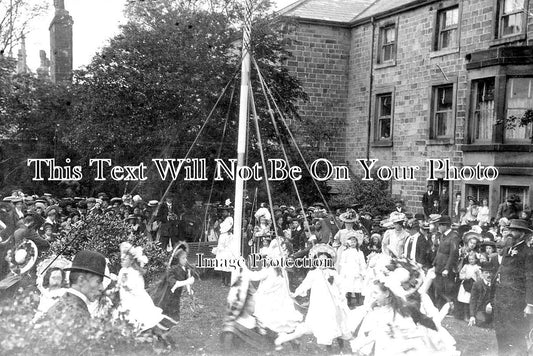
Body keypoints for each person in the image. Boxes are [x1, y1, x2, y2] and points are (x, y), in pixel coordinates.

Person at [348, 256, 459, 356]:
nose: (373, 296)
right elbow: (377, 332)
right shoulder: (383, 311)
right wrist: (359, 344)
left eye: (376, 293)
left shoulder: (400, 313)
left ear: (387, 293)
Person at [275, 244, 351, 352]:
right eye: (320, 261)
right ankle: (328, 348)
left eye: (325, 261)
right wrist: (295, 293)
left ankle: (342, 347)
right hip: (319, 302)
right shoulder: (313, 274)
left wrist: (342, 295)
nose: (322, 263)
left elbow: (340, 285)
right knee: (323, 324)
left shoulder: (332, 273)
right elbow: (305, 285)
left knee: (336, 321)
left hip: (332, 302)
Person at [38, 250, 108, 332]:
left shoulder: (62, 303)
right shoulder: (79, 314)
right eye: (98, 281)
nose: (101, 288)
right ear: (81, 280)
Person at [492, 219, 533, 356]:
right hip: (502, 298)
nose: (510, 233)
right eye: (509, 229)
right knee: (501, 332)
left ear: (522, 234)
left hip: (516, 300)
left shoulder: (528, 253)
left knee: (516, 333)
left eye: (514, 230)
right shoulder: (508, 249)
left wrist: (529, 303)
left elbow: (530, 278)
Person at [117, 242, 175, 331]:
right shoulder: (122, 271)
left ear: (131, 260)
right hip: (125, 300)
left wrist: (126, 286)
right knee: (128, 319)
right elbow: (120, 283)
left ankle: (161, 328)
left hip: (136, 300)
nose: (122, 258)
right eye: (122, 257)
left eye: (125, 258)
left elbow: (137, 287)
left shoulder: (135, 272)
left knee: (145, 318)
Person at [432, 215, 459, 309]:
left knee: (447, 289)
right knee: (438, 288)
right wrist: (434, 264)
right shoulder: (443, 236)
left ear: (445, 226)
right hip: (439, 266)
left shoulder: (453, 237)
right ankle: (440, 307)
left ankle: (448, 307)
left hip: (445, 268)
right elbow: (439, 251)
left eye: (440, 225)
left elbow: (453, 254)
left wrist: (447, 268)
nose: (438, 227)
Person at [468, 262, 494, 328]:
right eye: (486, 273)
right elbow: (473, 300)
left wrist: (491, 304)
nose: (489, 275)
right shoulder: (477, 284)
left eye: (490, 272)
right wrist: (472, 316)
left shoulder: (495, 285)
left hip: (493, 310)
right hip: (480, 310)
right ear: (482, 274)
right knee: (481, 322)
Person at [456, 252, 480, 321]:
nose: (471, 261)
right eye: (470, 259)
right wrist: (465, 277)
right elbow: (461, 275)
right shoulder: (466, 266)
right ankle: (464, 315)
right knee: (464, 300)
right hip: (465, 284)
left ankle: (471, 316)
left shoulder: (477, 268)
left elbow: (479, 278)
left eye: (472, 259)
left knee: (470, 301)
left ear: (476, 259)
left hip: (473, 285)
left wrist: (477, 274)